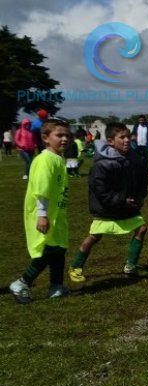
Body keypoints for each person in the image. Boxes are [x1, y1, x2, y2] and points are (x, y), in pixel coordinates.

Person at [68, 122, 148, 283]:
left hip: (126, 206)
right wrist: (122, 200)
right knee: (94, 236)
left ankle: (131, 266)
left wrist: (140, 196)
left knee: (141, 229)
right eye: (122, 137)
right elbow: (101, 191)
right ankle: (76, 266)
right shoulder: (102, 164)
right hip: (107, 208)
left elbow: (142, 179)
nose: (127, 140)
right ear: (111, 141)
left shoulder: (133, 158)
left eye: (128, 136)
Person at [8, 119, 76, 304]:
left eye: (67, 135)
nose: (64, 139)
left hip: (56, 213)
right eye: (59, 135)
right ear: (45, 138)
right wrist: (42, 214)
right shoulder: (45, 159)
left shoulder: (57, 158)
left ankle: (56, 287)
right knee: (49, 250)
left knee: (59, 249)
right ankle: (21, 283)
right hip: (44, 213)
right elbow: (41, 189)